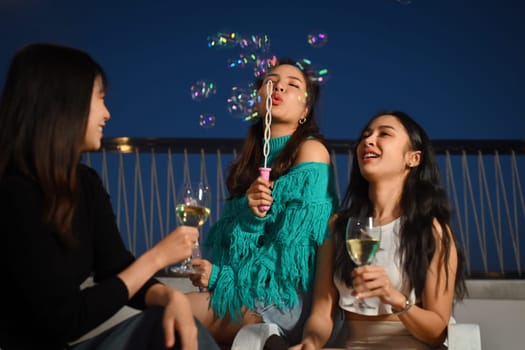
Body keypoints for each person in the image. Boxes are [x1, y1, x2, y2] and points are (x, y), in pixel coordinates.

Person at [0, 43, 219, 350]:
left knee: (174, 324)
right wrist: (157, 257)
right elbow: (65, 320)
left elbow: (115, 267)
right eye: (100, 98)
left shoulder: (86, 184)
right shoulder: (13, 194)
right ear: (63, 104)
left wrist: (171, 298)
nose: (107, 113)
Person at [185, 58, 339, 347]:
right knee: (170, 317)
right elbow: (231, 254)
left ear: (305, 111)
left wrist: (218, 277)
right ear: (257, 102)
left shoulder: (312, 152)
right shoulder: (248, 166)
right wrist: (250, 218)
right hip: (245, 294)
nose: (279, 85)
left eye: (293, 85)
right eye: (270, 81)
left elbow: (291, 257)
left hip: (284, 301)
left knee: (173, 311)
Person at [292, 111, 467, 349]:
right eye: (365, 136)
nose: (368, 141)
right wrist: (310, 342)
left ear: (413, 158)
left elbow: (436, 332)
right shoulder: (338, 226)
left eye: (384, 133)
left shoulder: (432, 230)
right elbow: (322, 313)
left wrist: (394, 298)